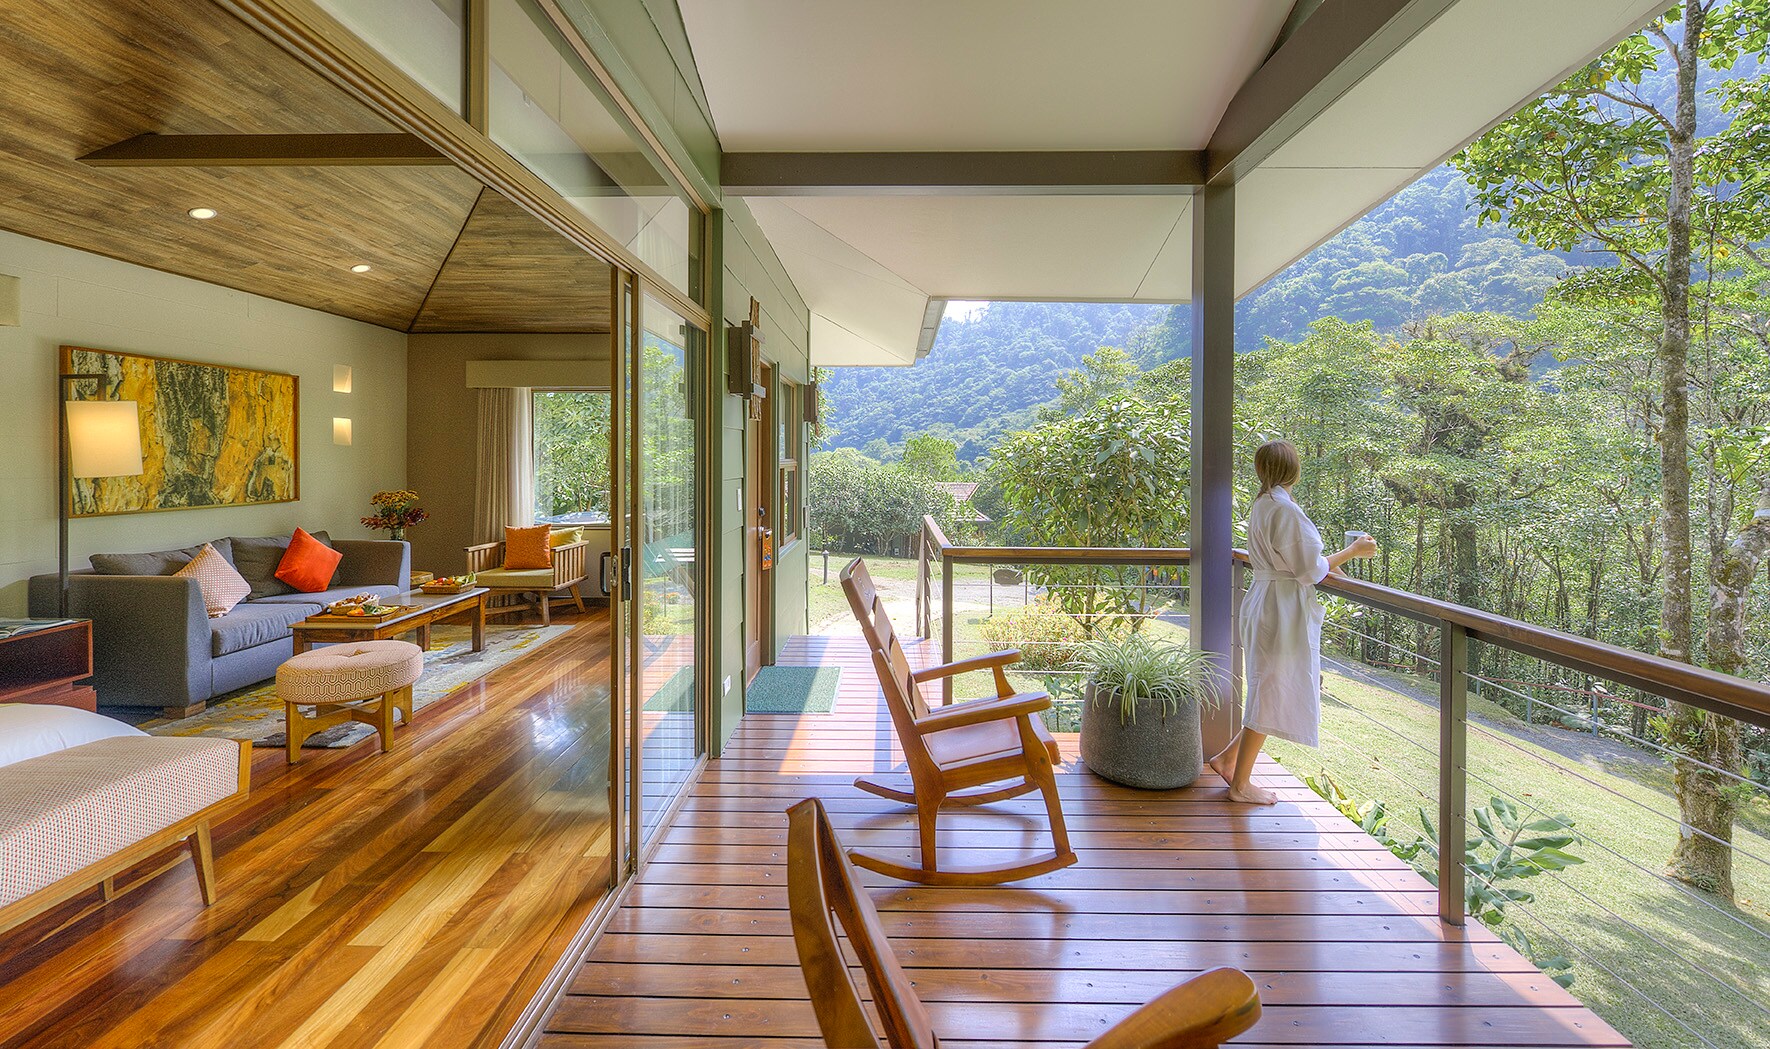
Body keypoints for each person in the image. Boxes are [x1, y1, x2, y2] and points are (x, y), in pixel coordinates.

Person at [1209, 440, 1377, 805]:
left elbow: (1297, 564)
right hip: (1279, 609)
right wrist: (1353, 551)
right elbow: (1309, 571)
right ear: (1294, 469)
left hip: (1266, 602)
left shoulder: (1263, 505)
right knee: (1270, 689)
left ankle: (1227, 759)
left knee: (1270, 685)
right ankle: (1239, 785)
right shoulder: (1286, 511)